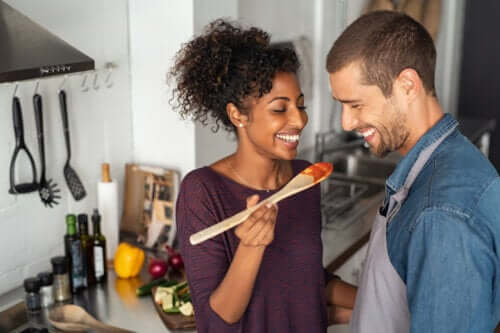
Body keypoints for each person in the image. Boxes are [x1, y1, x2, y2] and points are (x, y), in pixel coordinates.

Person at [170, 19, 356, 333]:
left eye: (300, 105)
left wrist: (382, 301)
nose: (299, 120)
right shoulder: (202, 191)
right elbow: (215, 322)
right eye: (279, 109)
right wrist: (251, 248)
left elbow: (305, 279)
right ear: (237, 115)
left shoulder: (304, 179)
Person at [326, 10, 500, 333]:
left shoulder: (441, 213)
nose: (345, 123)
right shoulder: (447, 161)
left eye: (356, 105)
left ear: (407, 85)